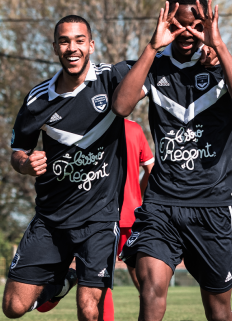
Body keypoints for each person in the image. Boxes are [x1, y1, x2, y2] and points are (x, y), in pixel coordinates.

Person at [114, 0, 232, 321]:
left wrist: (218, 45)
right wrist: (152, 47)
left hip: (213, 207)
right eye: (179, 25)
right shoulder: (153, 67)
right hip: (162, 205)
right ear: (167, 22)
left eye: (196, 25)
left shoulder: (225, 65)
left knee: (218, 312)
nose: (187, 33)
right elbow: (121, 106)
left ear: (207, 24)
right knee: (151, 293)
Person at [2, 15, 131, 320]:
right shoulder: (37, 99)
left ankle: (75, 283)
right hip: (51, 220)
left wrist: (208, 50)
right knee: (13, 307)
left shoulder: (112, 78)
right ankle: (62, 283)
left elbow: (158, 62)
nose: (72, 48)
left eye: (79, 40)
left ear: (91, 45)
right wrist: (25, 164)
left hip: (99, 219)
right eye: (64, 41)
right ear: (55, 48)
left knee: (89, 308)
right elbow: (18, 150)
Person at [102, 119, 155, 321]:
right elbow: (151, 169)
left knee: (99, 279)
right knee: (145, 283)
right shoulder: (134, 128)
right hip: (131, 215)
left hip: (100, 215)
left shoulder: (92, 125)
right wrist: (137, 197)